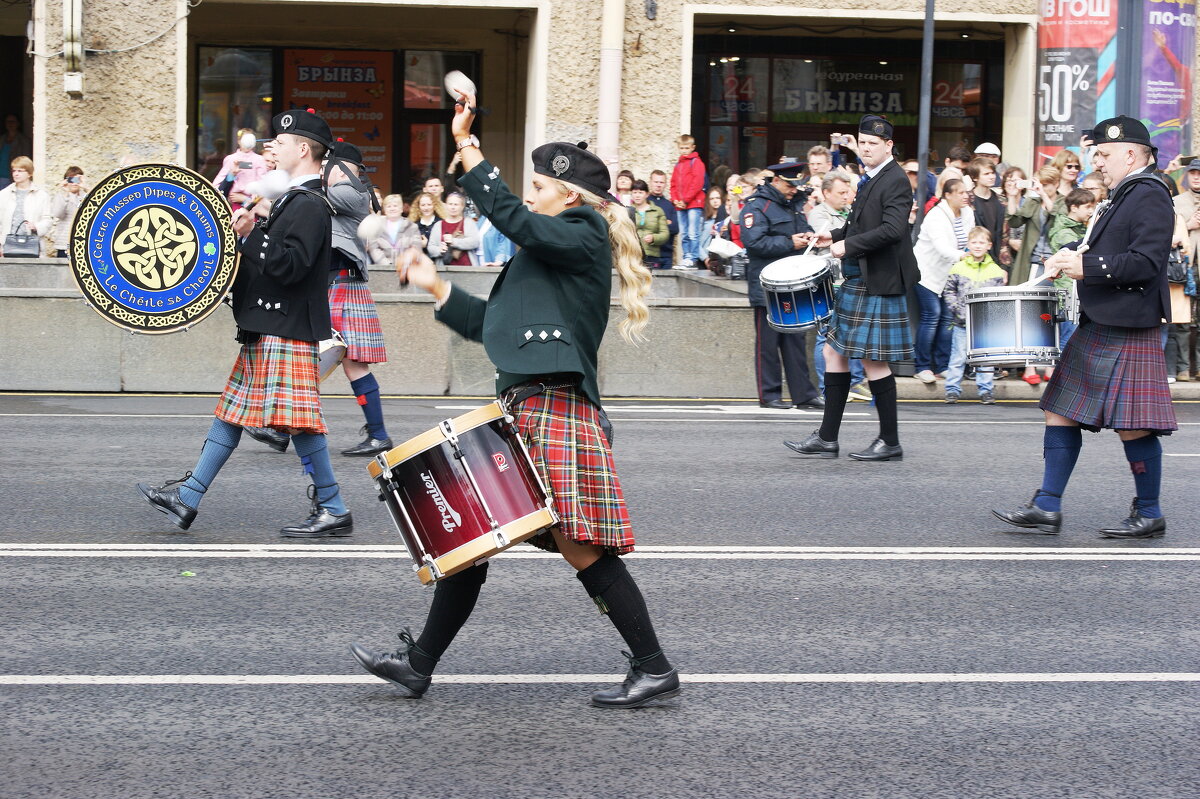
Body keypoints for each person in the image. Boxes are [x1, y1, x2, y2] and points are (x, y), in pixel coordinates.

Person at [350, 92, 680, 709]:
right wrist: (433, 284)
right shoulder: (547, 254)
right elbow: (492, 325)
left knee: (581, 546)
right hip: (525, 408)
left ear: (569, 196)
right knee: (469, 539)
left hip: (556, 406)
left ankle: (654, 665)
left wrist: (468, 147)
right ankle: (418, 665)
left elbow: (514, 219)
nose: (528, 194)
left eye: (536, 184)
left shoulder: (580, 235)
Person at [136, 108, 352, 538]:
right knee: (231, 414)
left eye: (283, 142)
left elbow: (291, 267)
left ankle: (334, 507)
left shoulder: (309, 205)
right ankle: (188, 497)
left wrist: (254, 233)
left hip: (285, 327)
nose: (275, 147)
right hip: (270, 325)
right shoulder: (293, 200)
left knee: (300, 421)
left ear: (304, 148)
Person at [993, 116, 1176, 539]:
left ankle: (1149, 511)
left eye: (1105, 154)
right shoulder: (1122, 194)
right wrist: (1066, 253)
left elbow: (1147, 263)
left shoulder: (1150, 194)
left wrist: (1086, 267)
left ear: (1131, 154)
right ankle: (1047, 506)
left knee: (1135, 423)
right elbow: (1100, 243)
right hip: (1106, 317)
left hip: (1128, 320)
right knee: (1059, 409)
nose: (1098, 161)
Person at [785, 114, 919, 461]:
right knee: (833, 352)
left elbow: (894, 231)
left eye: (874, 143)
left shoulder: (896, 180)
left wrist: (850, 246)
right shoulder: (871, 178)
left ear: (889, 145)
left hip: (880, 280)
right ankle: (828, 437)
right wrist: (834, 235)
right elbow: (861, 223)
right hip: (862, 277)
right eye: (863, 143)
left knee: (874, 362)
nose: (867, 149)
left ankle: (890, 441)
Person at [741, 161, 824, 410]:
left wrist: (809, 237)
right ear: (775, 180)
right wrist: (790, 242)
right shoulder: (757, 206)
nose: (793, 189)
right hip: (767, 286)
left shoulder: (795, 205)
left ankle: (803, 395)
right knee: (768, 344)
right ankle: (770, 394)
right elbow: (755, 243)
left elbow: (802, 231)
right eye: (790, 184)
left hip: (791, 284)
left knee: (796, 342)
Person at [808, 170, 868, 399]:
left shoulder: (848, 212)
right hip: (827, 281)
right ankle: (827, 388)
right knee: (825, 334)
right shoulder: (819, 214)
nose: (846, 196)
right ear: (826, 193)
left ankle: (853, 383)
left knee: (850, 334)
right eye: (840, 192)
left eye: (847, 191)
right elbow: (835, 241)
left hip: (847, 279)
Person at [913, 177, 975, 383]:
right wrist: (963, 256)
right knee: (933, 316)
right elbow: (942, 248)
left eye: (966, 192)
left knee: (948, 319)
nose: (965, 196)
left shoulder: (968, 213)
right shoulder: (936, 216)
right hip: (926, 273)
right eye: (960, 192)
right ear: (947, 195)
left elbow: (970, 239)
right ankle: (922, 366)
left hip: (950, 275)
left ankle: (941, 366)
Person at [942, 227, 1006, 404]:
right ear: (968, 245)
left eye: (982, 242)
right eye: (974, 242)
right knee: (958, 357)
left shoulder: (996, 271)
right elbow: (949, 292)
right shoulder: (958, 267)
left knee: (985, 358)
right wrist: (958, 311)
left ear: (989, 245)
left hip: (985, 324)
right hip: (961, 322)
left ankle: (985, 390)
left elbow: (998, 298)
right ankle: (952, 389)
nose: (978, 246)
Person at [0, 156, 52, 256]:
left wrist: (36, 226)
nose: (16, 173)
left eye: (20, 171)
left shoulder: (41, 195)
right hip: (7, 247)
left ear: (29, 173)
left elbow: (48, 220)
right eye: (14, 170)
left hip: (32, 247)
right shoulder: (3, 194)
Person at [212, 129, 269, 211]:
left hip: (253, 205)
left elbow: (262, 184)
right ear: (239, 141)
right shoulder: (230, 159)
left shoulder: (259, 160)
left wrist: (248, 200)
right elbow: (217, 184)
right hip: (232, 204)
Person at [966, 158, 1005, 263]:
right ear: (975, 177)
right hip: (972, 258)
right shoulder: (967, 200)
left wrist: (1004, 264)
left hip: (996, 259)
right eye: (986, 174)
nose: (992, 177)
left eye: (992, 173)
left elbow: (1004, 234)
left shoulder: (1001, 200)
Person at [426, 191, 480, 265]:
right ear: (446, 205)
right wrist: (440, 250)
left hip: (467, 268)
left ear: (462, 206)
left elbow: (475, 242)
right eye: (450, 204)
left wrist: (453, 241)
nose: (453, 207)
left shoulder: (469, 222)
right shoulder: (438, 225)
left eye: (456, 204)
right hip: (444, 268)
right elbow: (431, 248)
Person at [366, 193, 420, 265]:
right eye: (389, 206)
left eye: (395, 206)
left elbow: (416, 248)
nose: (392, 209)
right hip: (382, 269)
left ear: (401, 209)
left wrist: (403, 263)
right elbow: (374, 248)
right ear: (384, 209)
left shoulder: (412, 227)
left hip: (406, 268)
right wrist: (387, 264)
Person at [48, 166, 88, 258]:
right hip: (64, 244)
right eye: (71, 179)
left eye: (77, 179)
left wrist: (86, 187)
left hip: (83, 243)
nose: (74, 183)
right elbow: (57, 214)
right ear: (66, 181)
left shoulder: (86, 196)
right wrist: (65, 193)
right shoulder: (61, 197)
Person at [629, 178, 670, 267]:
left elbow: (665, 233)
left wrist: (654, 238)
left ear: (647, 194)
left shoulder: (657, 211)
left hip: (652, 255)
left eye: (640, 192)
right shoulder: (627, 211)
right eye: (635, 192)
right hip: (633, 254)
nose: (637, 195)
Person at [646, 170, 678, 265]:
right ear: (650, 183)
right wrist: (665, 223)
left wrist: (655, 224)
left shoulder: (669, 205)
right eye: (656, 182)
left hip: (666, 255)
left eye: (661, 182)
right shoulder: (645, 203)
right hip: (649, 254)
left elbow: (675, 228)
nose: (658, 185)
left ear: (665, 184)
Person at [0, 114, 32, 189]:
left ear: (18, 124)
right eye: (8, 122)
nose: (10, 124)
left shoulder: (24, 141)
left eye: (13, 122)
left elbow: (26, 162)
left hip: (13, 178)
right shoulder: (2, 139)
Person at [698, 185, 726, 267]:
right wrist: (705, 258)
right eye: (712, 199)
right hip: (703, 259)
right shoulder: (703, 218)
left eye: (717, 198)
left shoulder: (726, 218)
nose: (715, 201)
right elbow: (696, 241)